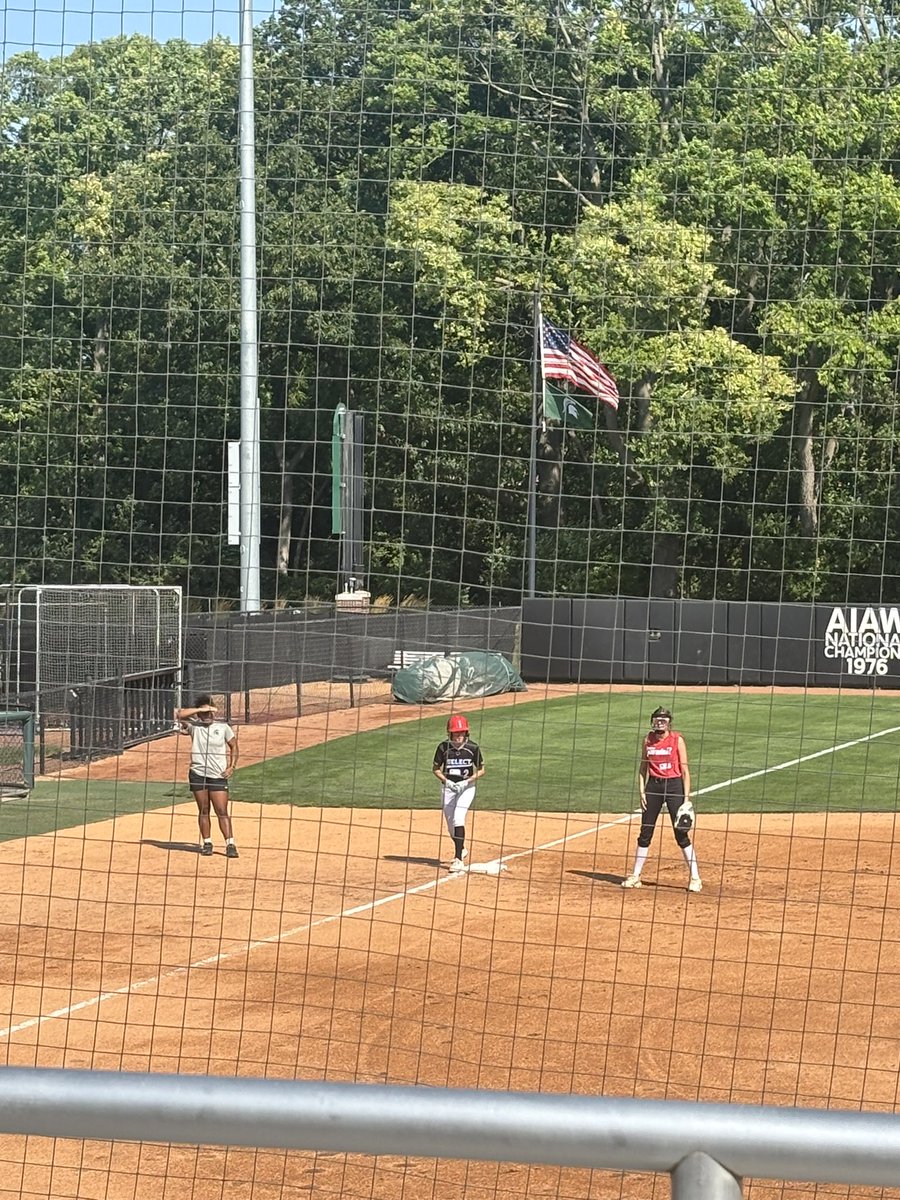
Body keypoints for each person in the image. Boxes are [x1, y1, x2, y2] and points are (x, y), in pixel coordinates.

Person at [622, 706, 702, 893]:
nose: (660, 722)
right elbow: (643, 769)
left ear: (669, 722)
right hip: (654, 787)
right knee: (645, 831)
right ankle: (636, 876)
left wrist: (686, 799)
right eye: (657, 719)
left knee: (680, 832)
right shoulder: (647, 740)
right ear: (652, 721)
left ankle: (695, 878)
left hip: (674, 786)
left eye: (664, 719)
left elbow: (685, 771)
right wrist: (642, 791)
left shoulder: (677, 740)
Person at [176, 694, 239, 859]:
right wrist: (199, 709)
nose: (207, 716)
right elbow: (179, 714)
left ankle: (230, 844)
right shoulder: (194, 727)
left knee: (222, 810)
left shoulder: (223, 727)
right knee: (203, 810)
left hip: (218, 775)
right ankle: (207, 843)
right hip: (198, 774)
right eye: (204, 714)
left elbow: (234, 746)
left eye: (209, 712)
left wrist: (232, 767)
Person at [432, 713, 485, 872]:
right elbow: (435, 769)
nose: (458, 736)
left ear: (466, 733)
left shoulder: (473, 748)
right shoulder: (443, 747)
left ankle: (458, 859)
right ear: (450, 733)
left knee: (458, 818)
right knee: (450, 826)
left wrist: (466, 782)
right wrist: (446, 781)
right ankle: (461, 848)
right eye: (455, 733)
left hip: (466, 788)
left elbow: (482, 770)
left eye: (461, 733)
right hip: (448, 788)